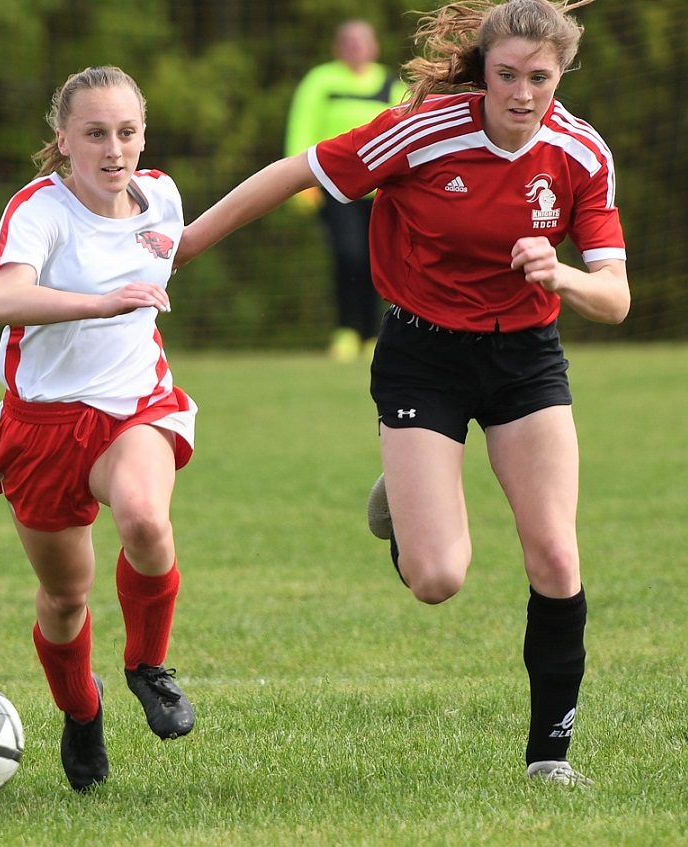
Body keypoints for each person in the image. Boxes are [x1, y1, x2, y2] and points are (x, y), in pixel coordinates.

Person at [180, 0, 627, 786]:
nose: (521, 94)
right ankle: (407, 489)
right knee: (436, 579)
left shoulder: (581, 154)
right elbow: (298, 170)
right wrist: (182, 246)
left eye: (539, 78)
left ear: (562, 75)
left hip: (526, 359)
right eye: (506, 75)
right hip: (423, 356)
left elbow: (615, 297)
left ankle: (547, 760)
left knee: (556, 552)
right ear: (482, 70)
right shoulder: (422, 129)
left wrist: (558, 272)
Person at [0, 65, 197, 793]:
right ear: (63, 140)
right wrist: (100, 303)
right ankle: (81, 710)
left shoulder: (160, 196)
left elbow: (176, 245)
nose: (113, 148)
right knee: (66, 598)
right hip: (42, 427)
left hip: (135, 406)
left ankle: (148, 666)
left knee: (143, 517)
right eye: (95, 133)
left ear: (143, 136)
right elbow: (2, 299)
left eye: (126, 132)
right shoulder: (39, 209)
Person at [284, 20, 406, 362]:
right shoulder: (321, 81)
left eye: (362, 41)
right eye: (348, 42)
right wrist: (299, 186)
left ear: (375, 47)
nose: (355, 48)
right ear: (338, 47)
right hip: (335, 189)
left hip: (383, 193)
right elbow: (302, 126)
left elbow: (408, 132)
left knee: (377, 262)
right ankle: (346, 330)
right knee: (348, 255)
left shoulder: (391, 85)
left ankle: (372, 334)